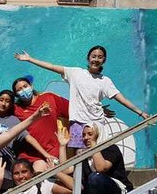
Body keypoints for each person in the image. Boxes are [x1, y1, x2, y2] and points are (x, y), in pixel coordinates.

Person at [15, 46, 149, 150]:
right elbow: (51, 66)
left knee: (98, 153)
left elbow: (121, 99)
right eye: (93, 56)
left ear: (104, 60)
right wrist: (30, 59)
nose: (96, 59)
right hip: (77, 123)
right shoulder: (75, 73)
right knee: (79, 156)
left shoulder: (105, 81)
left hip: (96, 123)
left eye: (100, 57)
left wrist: (140, 112)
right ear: (88, 58)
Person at [74, 123, 134, 194]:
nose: (86, 138)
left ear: (99, 134)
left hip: (119, 192)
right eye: (83, 135)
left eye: (90, 134)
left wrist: (94, 146)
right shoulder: (85, 153)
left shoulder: (111, 148)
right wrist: (62, 146)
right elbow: (67, 170)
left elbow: (101, 168)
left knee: (95, 177)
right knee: (73, 183)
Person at [9, 75, 69, 173]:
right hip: (31, 156)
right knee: (37, 175)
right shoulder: (16, 109)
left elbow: (73, 111)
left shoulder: (49, 97)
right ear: (16, 95)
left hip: (53, 153)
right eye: (19, 90)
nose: (23, 90)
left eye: (25, 86)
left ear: (31, 86)